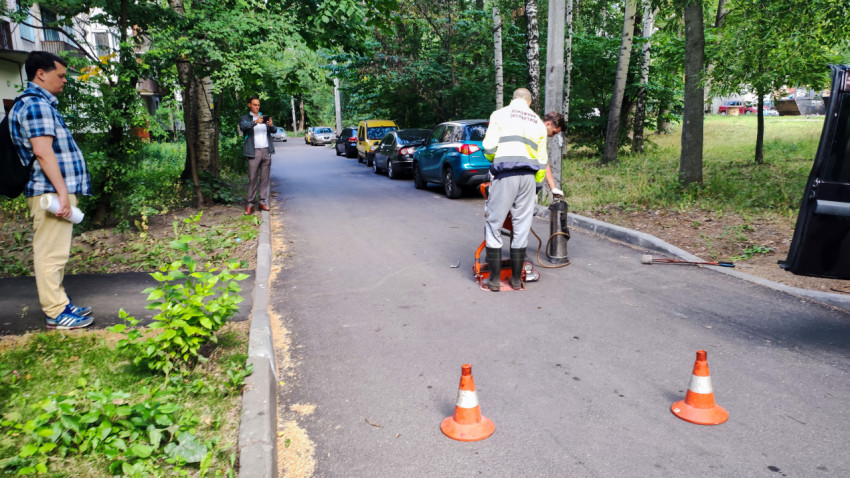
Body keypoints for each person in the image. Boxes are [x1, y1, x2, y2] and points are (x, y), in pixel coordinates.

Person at [10, 51, 93, 329]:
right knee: (50, 253)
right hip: (49, 191)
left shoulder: (40, 104)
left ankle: (60, 302)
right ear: (41, 74)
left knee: (57, 252)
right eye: (61, 75)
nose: (65, 81)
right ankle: (56, 312)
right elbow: (43, 152)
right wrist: (61, 193)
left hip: (51, 190)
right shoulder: (36, 105)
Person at [481, 88, 565, 292]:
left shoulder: (499, 115)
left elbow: (489, 147)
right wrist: (536, 186)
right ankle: (517, 280)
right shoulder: (537, 122)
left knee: (494, 224)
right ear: (529, 102)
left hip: (506, 175)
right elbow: (541, 160)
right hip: (528, 179)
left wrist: (496, 163)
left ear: (514, 99)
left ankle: (493, 281)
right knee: (521, 227)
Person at [239, 96, 277, 214]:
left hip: (266, 151)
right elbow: (243, 127)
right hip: (253, 151)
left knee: (265, 178)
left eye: (258, 105)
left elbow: (274, 130)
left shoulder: (264, 118)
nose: (257, 107)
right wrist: (255, 122)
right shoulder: (245, 118)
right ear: (249, 105)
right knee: (252, 178)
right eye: (254, 105)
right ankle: (250, 204)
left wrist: (270, 125)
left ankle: (262, 202)